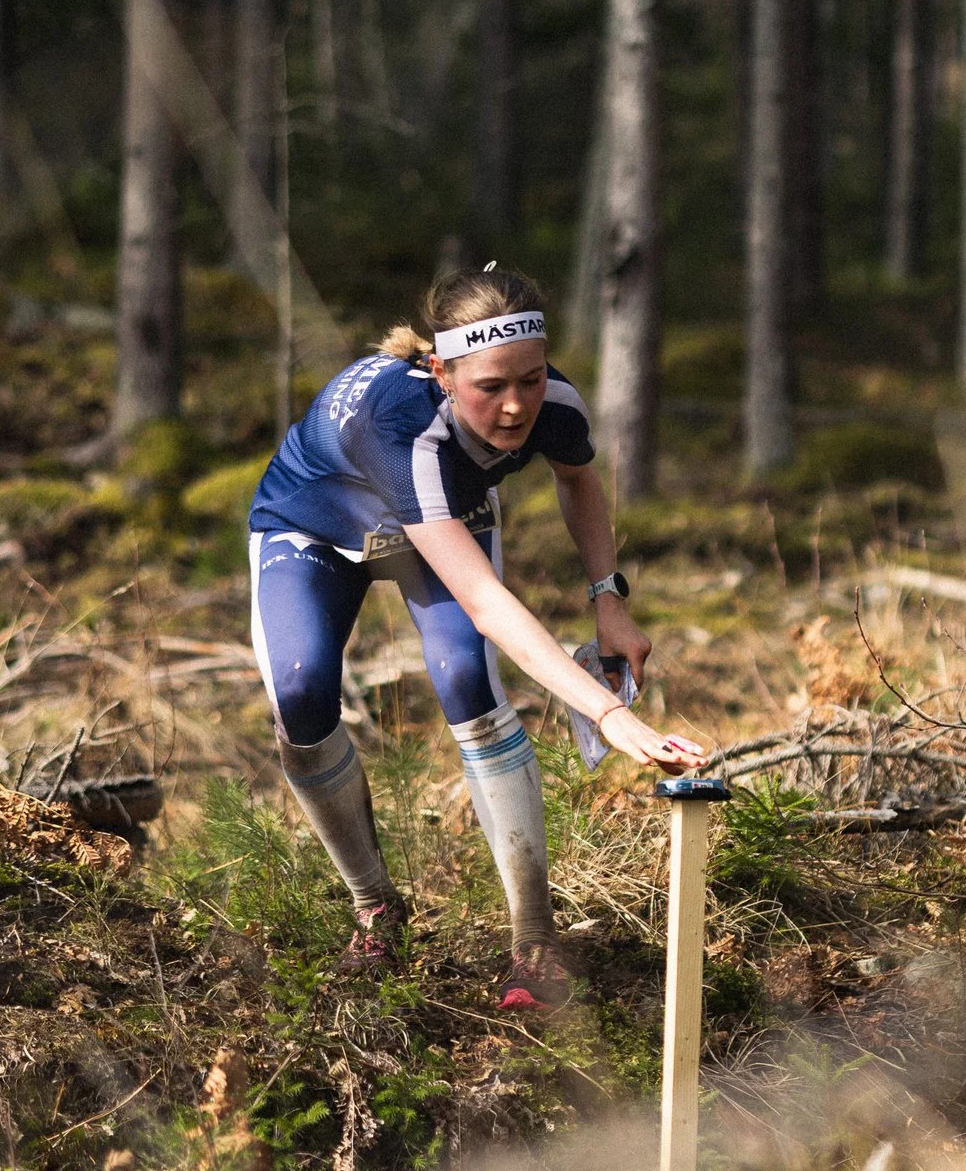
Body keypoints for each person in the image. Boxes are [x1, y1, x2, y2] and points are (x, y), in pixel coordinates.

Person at [244, 264, 703, 1010]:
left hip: (439, 513)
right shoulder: (406, 429)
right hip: (314, 521)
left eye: (530, 377)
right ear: (442, 372)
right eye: (490, 387)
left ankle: (535, 942)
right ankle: (375, 907)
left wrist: (608, 598)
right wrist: (610, 714)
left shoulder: (551, 400)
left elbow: (578, 479)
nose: (516, 404)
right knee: (300, 691)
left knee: (466, 679)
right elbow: (489, 603)